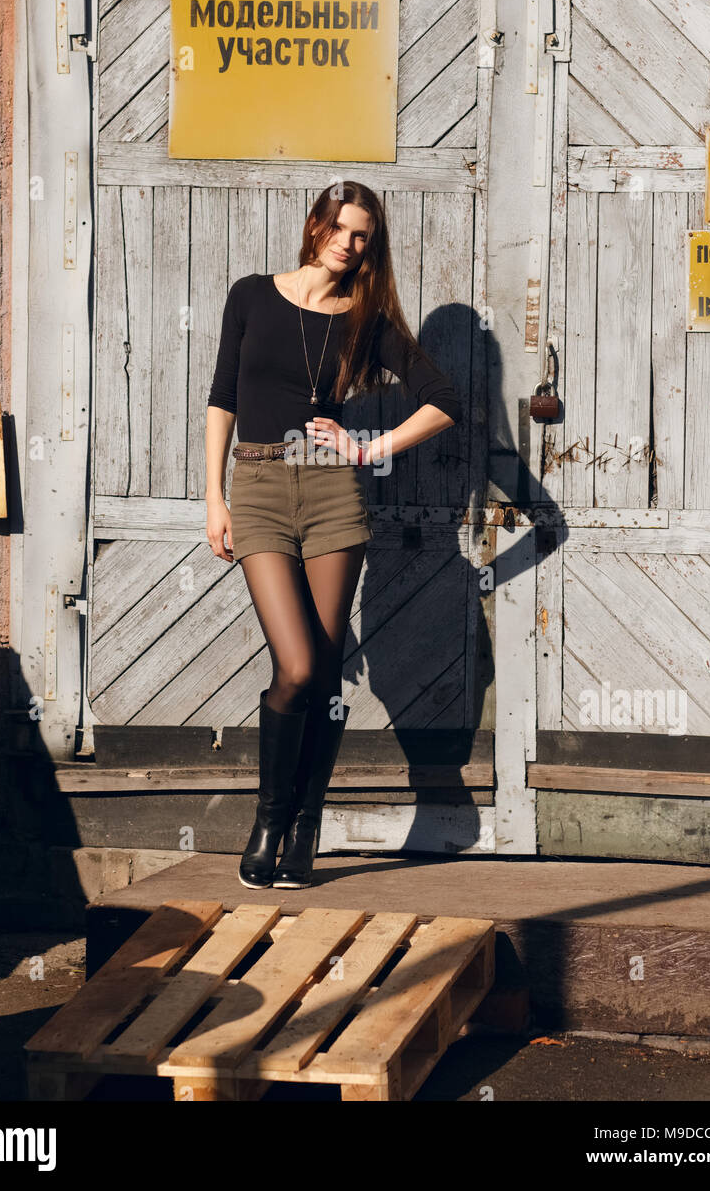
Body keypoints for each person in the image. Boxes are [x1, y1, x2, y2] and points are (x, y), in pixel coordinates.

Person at [205, 181, 463, 889]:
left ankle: (304, 824)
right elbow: (223, 398)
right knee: (297, 667)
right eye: (341, 229)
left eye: (362, 237)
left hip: (332, 494)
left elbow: (445, 401)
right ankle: (271, 817)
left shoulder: (366, 320)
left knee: (320, 673)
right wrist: (213, 498)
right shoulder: (251, 295)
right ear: (315, 224)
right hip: (256, 488)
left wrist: (370, 449)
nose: (349, 246)